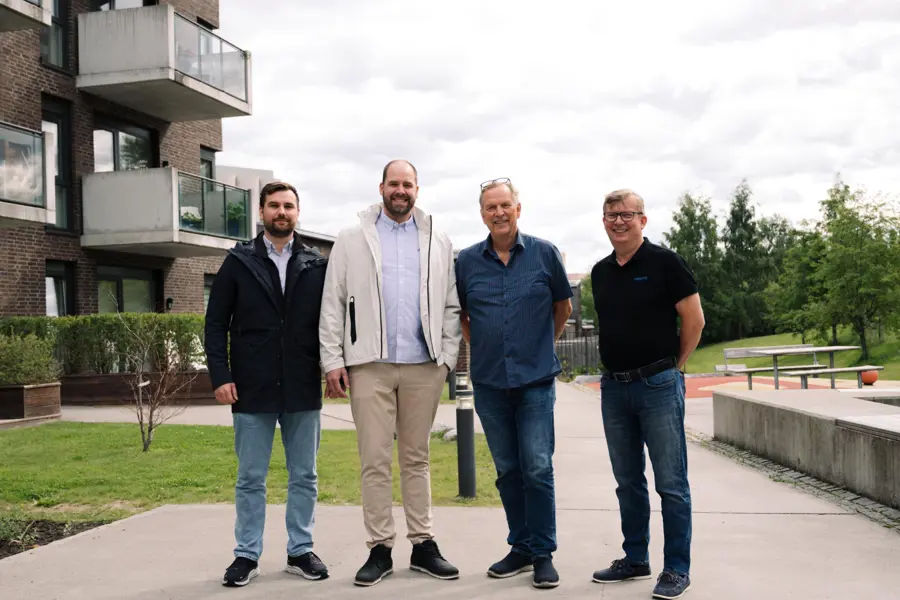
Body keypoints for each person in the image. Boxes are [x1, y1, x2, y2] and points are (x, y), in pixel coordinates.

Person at [318, 159, 463, 587]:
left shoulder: (438, 239)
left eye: (408, 184)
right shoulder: (351, 238)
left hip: (424, 366)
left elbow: (451, 304)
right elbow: (333, 301)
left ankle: (423, 545)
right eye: (394, 183)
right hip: (369, 366)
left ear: (417, 189)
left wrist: (446, 358)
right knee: (375, 461)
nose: (401, 190)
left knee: (417, 459)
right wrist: (333, 360)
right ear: (381, 187)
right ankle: (379, 549)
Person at [204, 181, 330, 588]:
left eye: (288, 206)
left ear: (298, 212)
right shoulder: (238, 262)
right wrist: (221, 375)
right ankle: (246, 554)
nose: (281, 212)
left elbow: (330, 322)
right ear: (261, 212)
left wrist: (333, 366)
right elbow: (215, 323)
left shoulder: (316, 263)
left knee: (305, 475)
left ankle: (300, 550)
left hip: (302, 383)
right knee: (250, 478)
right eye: (274, 205)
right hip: (251, 385)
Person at [454, 178, 573, 589]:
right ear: (482, 214)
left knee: (537, 467)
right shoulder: (467, 262)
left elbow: (563, 307)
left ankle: (543, 554)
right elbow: (462, 315)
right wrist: (483, 346)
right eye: (491, 207)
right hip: (490, 383)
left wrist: (540, 346)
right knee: (507, 470)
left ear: (518, 209)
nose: (499, 213)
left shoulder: (544, 253)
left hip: (535, 380)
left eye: (505, 205)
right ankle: (520, 547)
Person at [589, 189, 705, 600]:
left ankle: (676, 569)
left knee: (670, 482)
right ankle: (635, 558)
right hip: (614, 389)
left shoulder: (666, 263)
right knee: (627, 481)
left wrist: (675, 366)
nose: (618, 221)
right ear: (604, 222)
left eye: (627, 214)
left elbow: (694, 320)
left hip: (658, 385)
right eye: (611, 215)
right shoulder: (600, 272)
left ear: (643, 219)